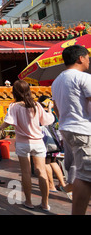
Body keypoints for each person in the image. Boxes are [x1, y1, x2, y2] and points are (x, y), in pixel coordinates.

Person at [0, 80, 54, 211]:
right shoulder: (36, 105)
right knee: (41, 171)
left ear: (15, 92)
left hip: (23, 143)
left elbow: (8, 122)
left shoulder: (14, 106)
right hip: (38, 142)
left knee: (26, 172)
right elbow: (46, 120)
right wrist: (50, 110)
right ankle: (45, 203)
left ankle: (28, 201)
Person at [51, 45, 91, 215]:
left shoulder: (57, 80)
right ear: (80, 58)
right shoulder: (82, 77)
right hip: (83, 129)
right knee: (86, 176)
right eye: (88, 57)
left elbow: (57, 109)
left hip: (67, 128)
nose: (89, 61)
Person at [37, 96, 67, 193]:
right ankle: (62, 184)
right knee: (54, 162)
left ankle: (51, 185)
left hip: (45, 142)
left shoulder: (40, 114)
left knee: (46, 163)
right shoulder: (53, 114)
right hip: (54, 140)